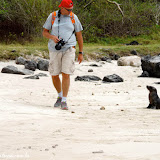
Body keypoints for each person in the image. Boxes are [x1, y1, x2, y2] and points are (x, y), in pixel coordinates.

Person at [42, 0, 83, 110]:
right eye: (68, 10)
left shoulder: (74, 17)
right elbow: (44, 32)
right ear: (62, 8)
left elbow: (79, 35)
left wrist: (81, 52)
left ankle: (64, 100)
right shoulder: (53, 16)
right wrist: (52, 37)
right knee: (54, 74)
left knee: (66, 74)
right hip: (54, 49)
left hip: (69, 48)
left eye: (71, 10)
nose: (70, 12)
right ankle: (59, 95)